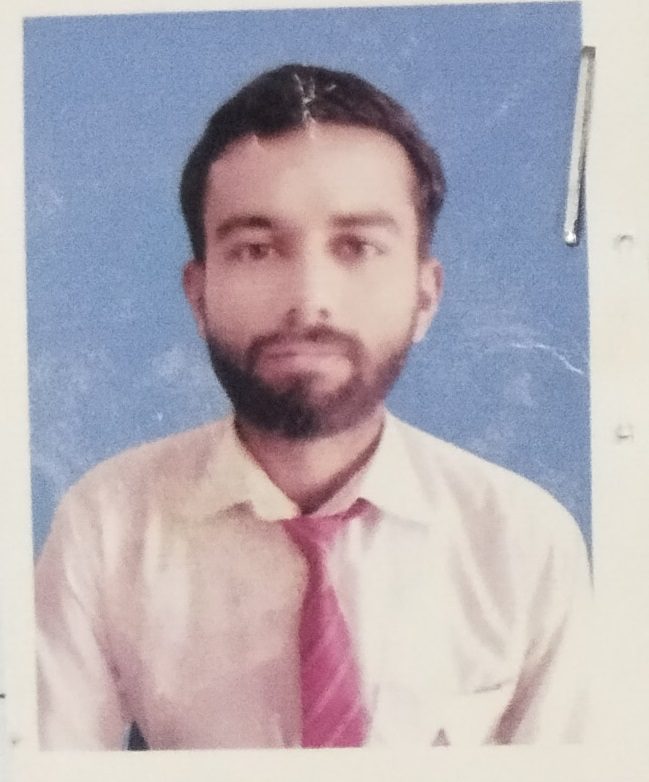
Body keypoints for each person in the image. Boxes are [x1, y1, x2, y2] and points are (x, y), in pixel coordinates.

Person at [35, 63, 591, 750]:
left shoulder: (524, 541)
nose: (309, 300)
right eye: (256, 249)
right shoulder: (105, 525)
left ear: (424, 296)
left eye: (356, 246)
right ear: (199, 295)